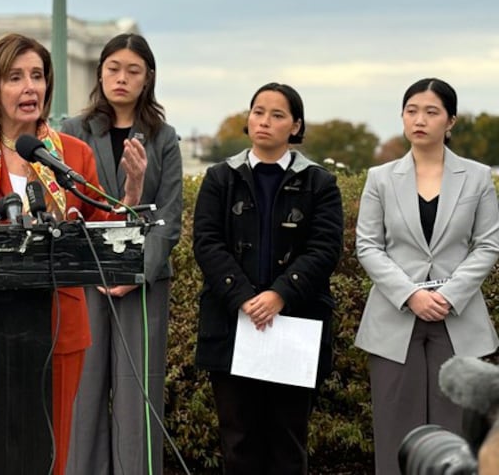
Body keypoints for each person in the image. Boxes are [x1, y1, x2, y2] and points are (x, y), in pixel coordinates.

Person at [0, 32, 147, 475]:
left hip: (58, 323)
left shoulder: (72, 155)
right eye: (15, 77)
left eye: (37, 76)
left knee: (51, 453)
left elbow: (100, 238)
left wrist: (131, 190)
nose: (30, 88)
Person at [192, 82, 343, 474]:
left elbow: (324, 248)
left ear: (295, 126)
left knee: (288, 441)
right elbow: (207, 243)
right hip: (231, 323)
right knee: (237, 442)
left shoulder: (319, 183)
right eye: (258, 111)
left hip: (295, 323)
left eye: (277, 115)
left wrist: (279, 295)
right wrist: (243, 297)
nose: (265, 121)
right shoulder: (220, 178)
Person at [354, 77, 499, 475]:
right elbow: (368, 245)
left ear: (450, 121)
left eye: (432, 112)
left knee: (458, 434)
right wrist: (411, 294)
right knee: (395, 433)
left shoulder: (476, 177)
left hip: (458, 318)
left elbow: (487, 244)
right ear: (402, 117)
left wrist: (450, 295)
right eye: (412, 110)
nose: (420, 119)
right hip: (394, 319)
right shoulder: (380, 178)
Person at [62, 33, 182, 475]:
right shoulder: (73, 131)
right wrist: (92, 264)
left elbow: (169, 217)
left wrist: (136, 270)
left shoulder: (163, 138)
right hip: (86, 277)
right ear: (100, 73)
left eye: (133, 71)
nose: (122, 78)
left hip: (143, 284)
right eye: (113, 68)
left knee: (138, 394)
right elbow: (68, 206)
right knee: (84, 388)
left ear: (148, 78)